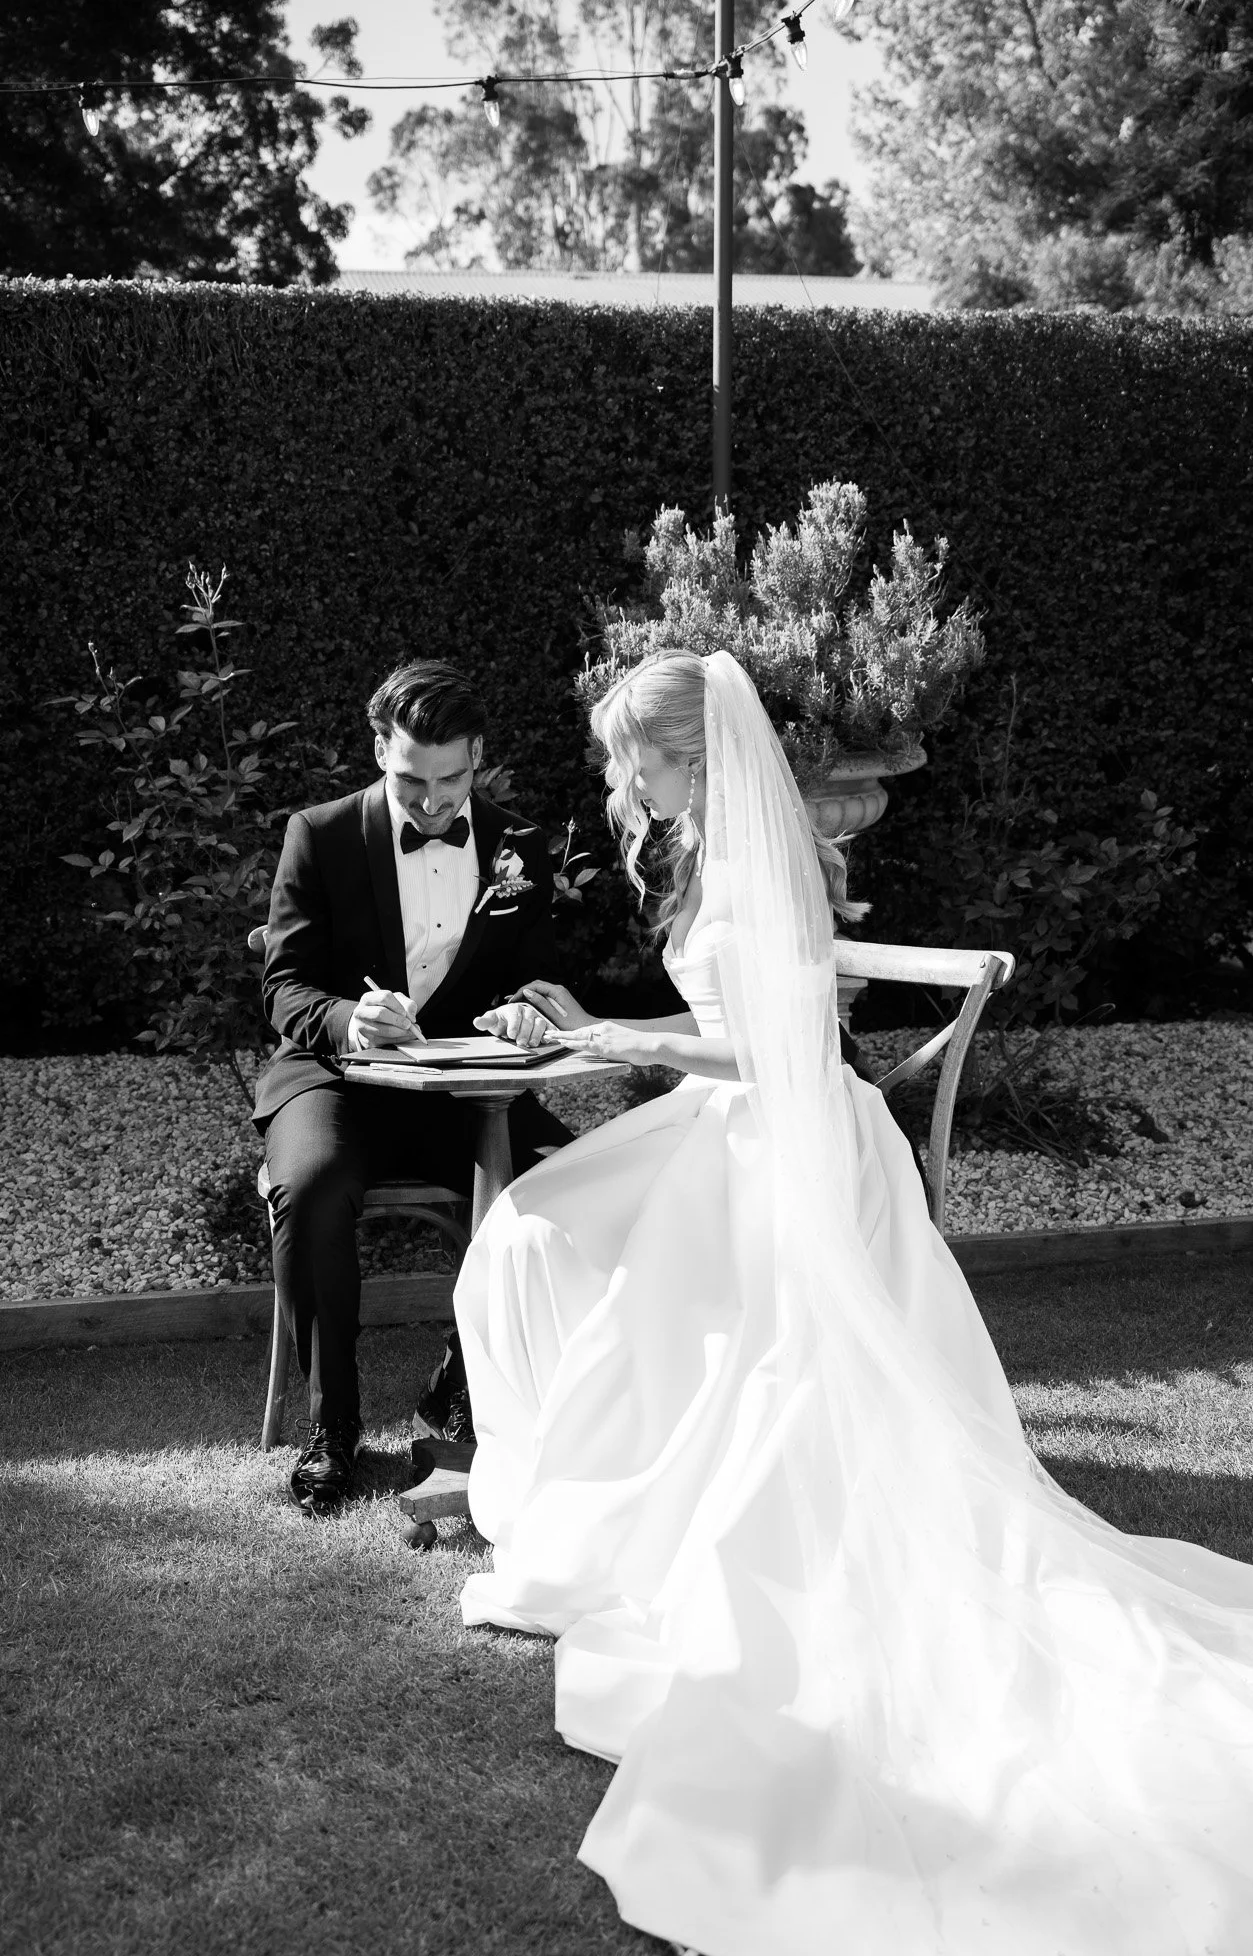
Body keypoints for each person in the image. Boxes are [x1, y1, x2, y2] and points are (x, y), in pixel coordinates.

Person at [454, 648, 1253, 1955]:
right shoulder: (710, 845)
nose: (616, 778)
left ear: (687, 759)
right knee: (532, 1233)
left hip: (790, 1144)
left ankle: (639, 1497)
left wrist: (614, 1037)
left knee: (585, 1247)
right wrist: (591, 1018)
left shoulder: (753, 859)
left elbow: (780, 1050)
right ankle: (574, 1473)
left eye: (627, 757)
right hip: (732, 1125)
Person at [252, 659, 572, 1513]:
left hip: (463, 1094)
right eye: (410, 780)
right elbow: (283, 986)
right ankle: (334, 1427)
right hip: (335, 1082)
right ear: (377, 751)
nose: (432, 803)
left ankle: (463, 1384)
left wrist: (518, 1014)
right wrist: (349, 1018)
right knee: (311, 1187)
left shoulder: (519, 848)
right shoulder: (317, 834)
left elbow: (534, 979)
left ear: (478, 759)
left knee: (573, 1184)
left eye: (453, 779)